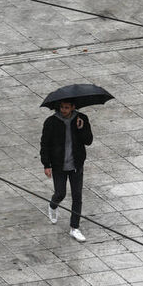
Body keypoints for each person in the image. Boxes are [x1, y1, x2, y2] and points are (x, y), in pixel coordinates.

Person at [40, 100, 93, 242]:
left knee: (77, 196)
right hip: (59, 165)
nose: (63, 110)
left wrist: (81, 129)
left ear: (73, 107)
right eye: (62, 107)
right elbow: (44, 144)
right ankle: (53, 204)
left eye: (67, 107)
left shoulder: (81, 119)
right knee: (60, 193)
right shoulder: (51, 122)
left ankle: (74, 228)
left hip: (76, 164)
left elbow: (88, 141)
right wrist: (46, 164)